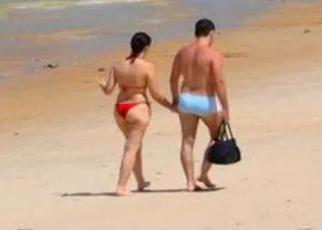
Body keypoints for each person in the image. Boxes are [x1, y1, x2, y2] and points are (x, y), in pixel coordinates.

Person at [98, 31, 174, 196]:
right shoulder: (147, 67)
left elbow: (108, 90)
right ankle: (121, 186)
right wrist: (171, 107)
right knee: (131, 148)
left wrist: (103, 85)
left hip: (120, 109)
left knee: (134, 145)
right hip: (137, 107)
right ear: (146, 48)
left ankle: (140, 181)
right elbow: (156, 94)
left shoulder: (118, 65)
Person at [169, 17, 231, 191]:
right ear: (211, 32)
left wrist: (175, 99)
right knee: (217, 137)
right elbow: (219, 83)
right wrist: (225, 108)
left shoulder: (183, 52)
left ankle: (190, 182)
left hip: (186, 98)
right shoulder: (213, 54)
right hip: (205, 100)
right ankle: (203, 173)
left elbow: (173, 78)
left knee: (187, 141)